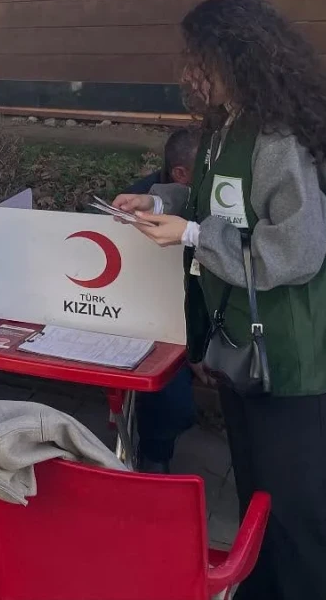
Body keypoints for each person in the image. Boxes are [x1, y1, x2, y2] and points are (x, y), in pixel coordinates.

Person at [113, 0, 326, 600]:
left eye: (199, 59)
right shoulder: (226, 130)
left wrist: (193, 235)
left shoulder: (279, 138)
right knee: (263, 510)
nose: (190, 73)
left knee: (306, 529)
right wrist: (161, 204)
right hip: (249, 355)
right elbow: (217, 208)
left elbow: (294, 254)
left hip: (298, 361)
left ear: (238, 57)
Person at [119, 127, 201, 473]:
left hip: (211, 311)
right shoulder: (140, 199)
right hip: (157, 317)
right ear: (181, 175)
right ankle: (154, 456)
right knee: (173, 399)